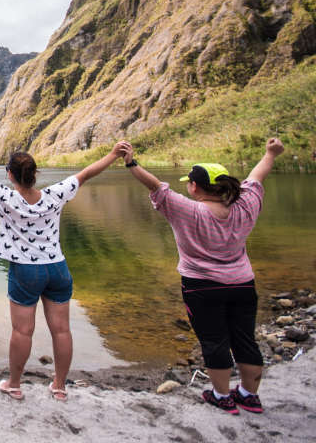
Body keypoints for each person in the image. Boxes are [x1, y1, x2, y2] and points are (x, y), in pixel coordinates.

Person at [0, 127, 124, 401]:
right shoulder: (55, 194)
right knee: (62, 329)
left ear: (10, 175)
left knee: (22, 331)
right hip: (57, 268)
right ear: (35, 173)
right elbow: (87, 173)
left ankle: (14, 385)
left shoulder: (6, 197)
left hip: (26, 270)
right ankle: (60, 386)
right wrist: (113, 154)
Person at [119, 138, 283, 415]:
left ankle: (222, 395)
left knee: (214, 340)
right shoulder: (246, 206)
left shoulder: (188, 210)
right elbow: (257, 176)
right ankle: (248, 394)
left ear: (195, 186)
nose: (187, 185)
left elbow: (155, 186)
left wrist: (131, 162)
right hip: (242, 283)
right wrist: (271, 153)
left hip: (201, 287)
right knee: (245, 338)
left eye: (189, 182)